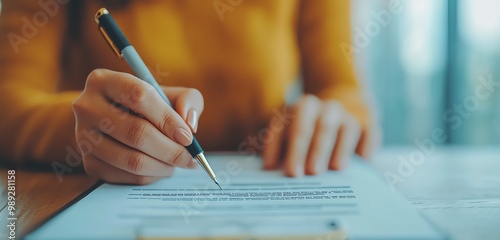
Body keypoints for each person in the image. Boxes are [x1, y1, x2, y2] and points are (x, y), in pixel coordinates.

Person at [0, 0, 380, 184]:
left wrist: (332, 114)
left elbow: (345, 91)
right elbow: (8, 106)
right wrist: (87, 132)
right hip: (103, 194)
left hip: (272, 182)